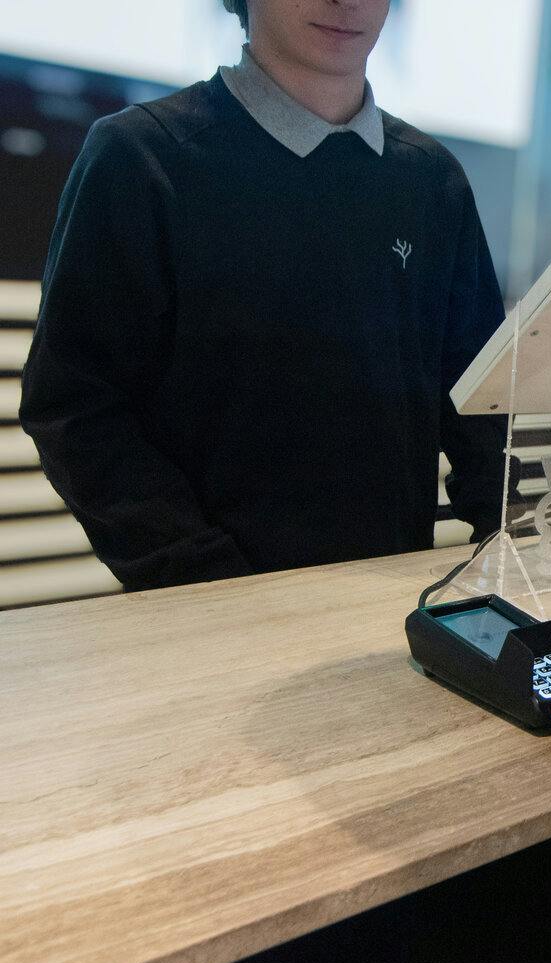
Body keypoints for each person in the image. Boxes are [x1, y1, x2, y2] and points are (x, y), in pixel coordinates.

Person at [19, 0, 507, 591]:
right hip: (208, 609)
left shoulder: (432, 179)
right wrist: (202, 577)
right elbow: (73, 405)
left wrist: (509, 551)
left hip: (388, 603)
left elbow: (480, 399)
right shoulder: (143, 156)